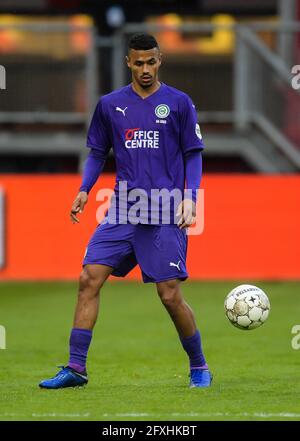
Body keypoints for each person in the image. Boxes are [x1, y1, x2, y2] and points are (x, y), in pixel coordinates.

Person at [39, 33, 212, 389]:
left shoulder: (179, 103)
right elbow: (98, 153)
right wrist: (85, 190)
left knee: (168, 294)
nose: (145, 69)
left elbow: (193, 153)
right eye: (138, 63)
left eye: (151, 62)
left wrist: (191, 197)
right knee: (89, 278)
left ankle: (199, 365)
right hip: (123, 209)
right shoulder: (110, 105)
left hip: (164, 211)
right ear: (128, 63)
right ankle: (75, 368)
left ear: (160, 60)